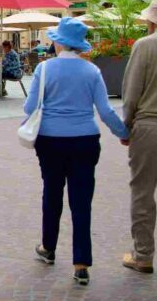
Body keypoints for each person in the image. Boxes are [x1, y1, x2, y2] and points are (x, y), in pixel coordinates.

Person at [25, 17, 128, 286]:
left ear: (59, 42)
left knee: (52, 193)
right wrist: (123, 133)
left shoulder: (44, 69)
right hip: (85, 139)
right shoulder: (91, 71)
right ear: (79, 45)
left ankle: (48, 248)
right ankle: (81, 264)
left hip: (50, 138)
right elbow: (105, 110)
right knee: (81, 201)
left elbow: (28, 108)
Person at [121, 0, 157, 274]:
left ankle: (143, 254)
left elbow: (131, 93)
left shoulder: (145, 46)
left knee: (143, 192)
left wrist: (126, 125)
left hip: (149, 127)